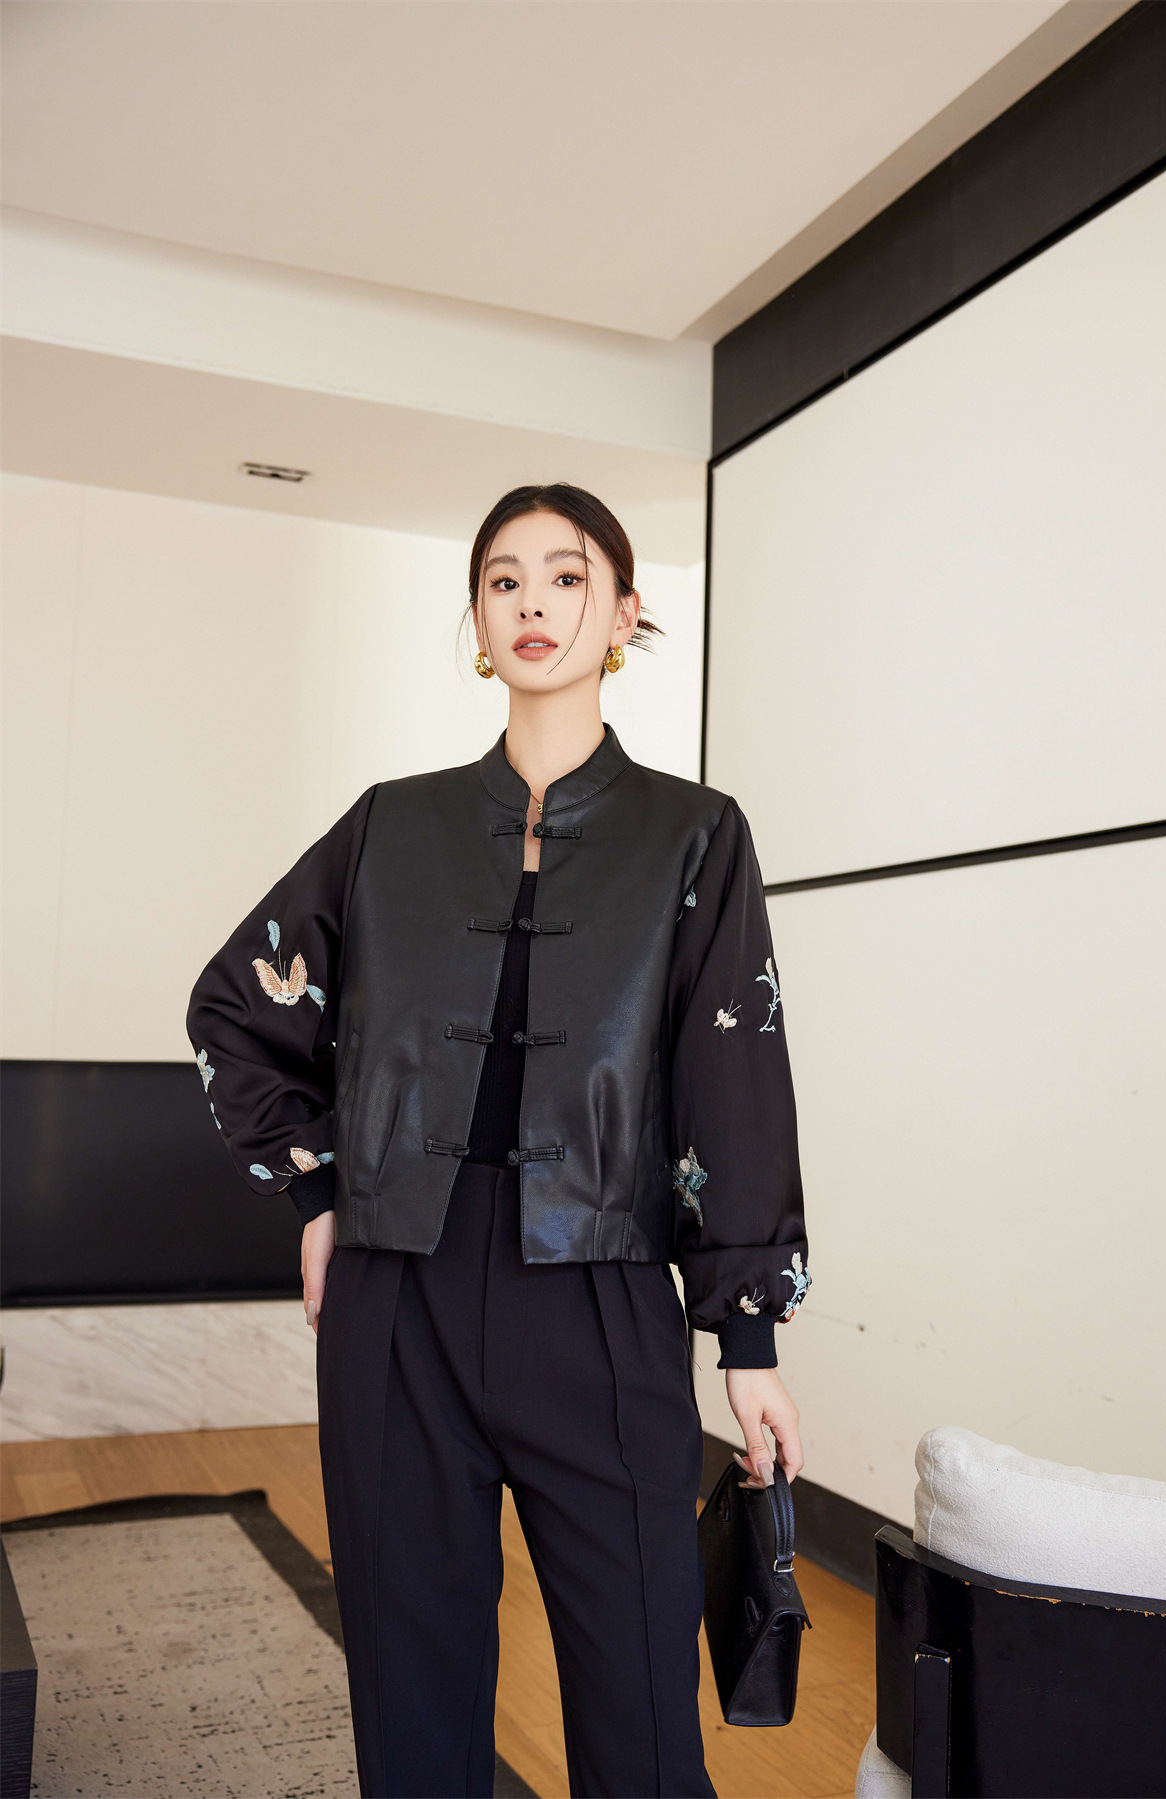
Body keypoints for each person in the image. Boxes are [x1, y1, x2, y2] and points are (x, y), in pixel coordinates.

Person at [186, 483, 811, 1799]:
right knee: (409, 1705)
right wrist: (316, 1197)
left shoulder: (696, 834)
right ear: (476, 618)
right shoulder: (388, 824)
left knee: (643, 1715)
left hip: (601, 1306)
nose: (534, 603)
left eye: (568, 577)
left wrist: (747, 1339)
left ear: (625, 615)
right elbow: (238, 1005)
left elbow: (735, 1081)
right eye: (504, 580)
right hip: (395, 1303)